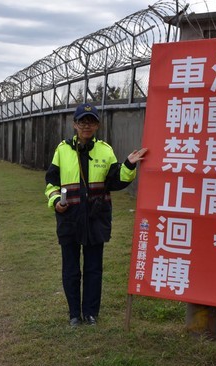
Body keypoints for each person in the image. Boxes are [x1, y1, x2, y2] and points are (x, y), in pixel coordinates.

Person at [44, 103, 147, 327]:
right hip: (69, 218)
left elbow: (116, 181)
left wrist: (128, 164)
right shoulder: (62, 150)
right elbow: (51, 180)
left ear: (97, 125)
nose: (86, 125)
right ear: (74, 124)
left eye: (91, 121)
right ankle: (74, 314)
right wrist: (55, 201)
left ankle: (91, 313)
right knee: (71, 269)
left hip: (96, 218)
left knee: (93, 268)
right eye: (82, 121)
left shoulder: (105, 150)